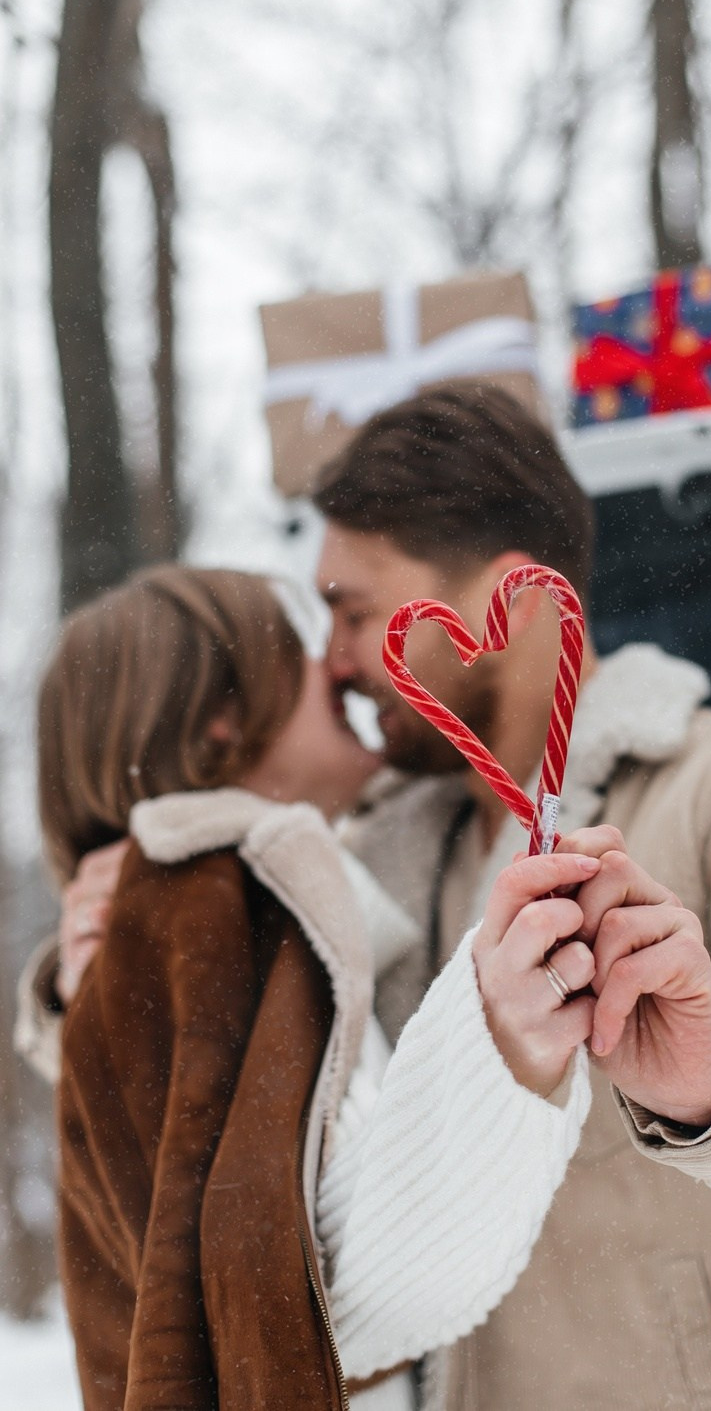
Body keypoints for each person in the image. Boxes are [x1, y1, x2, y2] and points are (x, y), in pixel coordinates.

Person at [22, 389, 711, 1409]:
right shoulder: (382, 850)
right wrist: (94, 981)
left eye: (356, 611)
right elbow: (249, 1086)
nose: (341, 660)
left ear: (509, 602)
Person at [26, 563, 643, 1411]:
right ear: (219, 725)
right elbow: (314, 1288)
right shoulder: (213, 915)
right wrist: (506, 1046)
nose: (340, 664)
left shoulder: (190, 915)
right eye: (301, 649)